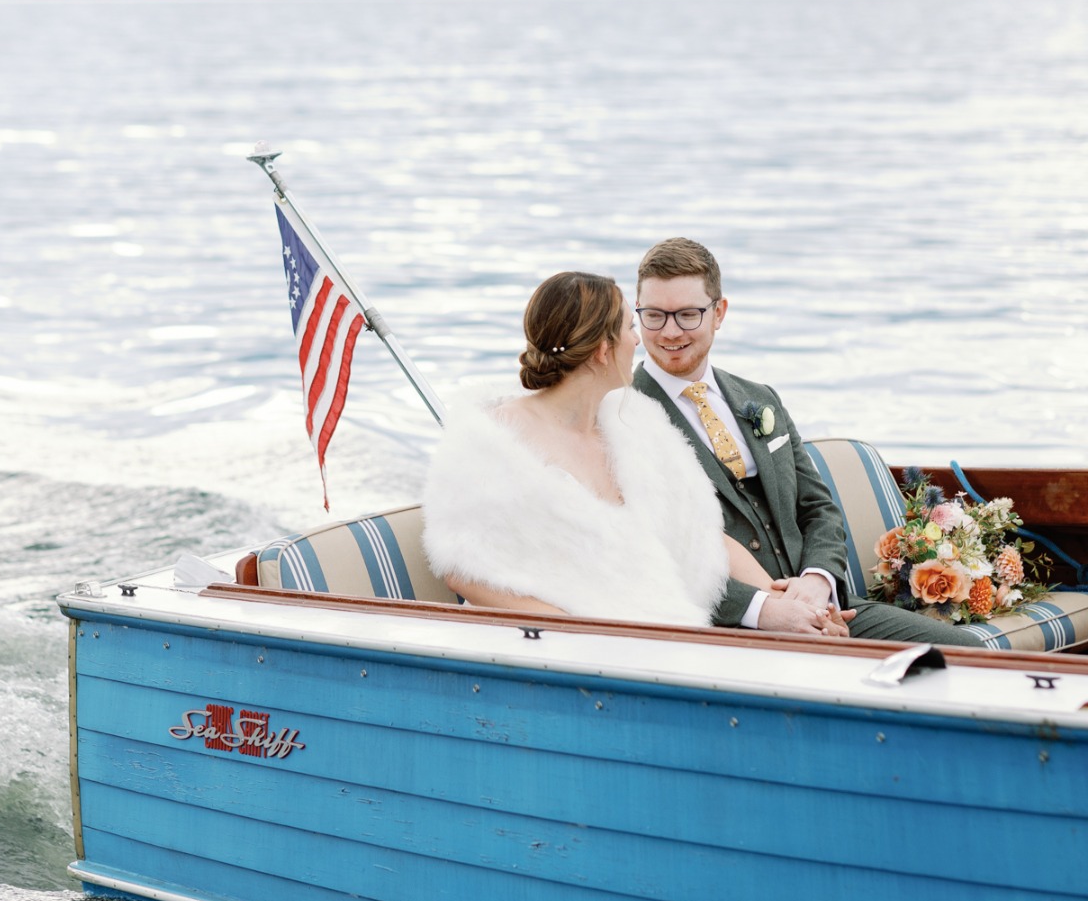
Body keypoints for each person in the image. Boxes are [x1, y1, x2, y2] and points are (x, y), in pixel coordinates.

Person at [422, 270, 850, 633]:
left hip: (665, 628)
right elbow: (461, 568)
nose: (639, 341)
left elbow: (700, 531)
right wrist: (576, 632)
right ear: (603, 349)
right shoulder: (492, 439)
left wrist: (788, 610)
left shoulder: (634, 423)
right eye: (630, 327)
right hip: (564, 645)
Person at [628, 237, 986, 645]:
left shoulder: (759, 398)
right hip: (729, 625)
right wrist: (765, 610)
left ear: (719, 312)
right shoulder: (624, 414)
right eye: (654, 315)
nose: (670, 331)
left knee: (967, 654)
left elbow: (818, 508)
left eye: (688, 314)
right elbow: (653, 550)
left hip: (825, 607)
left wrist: (818, 580)